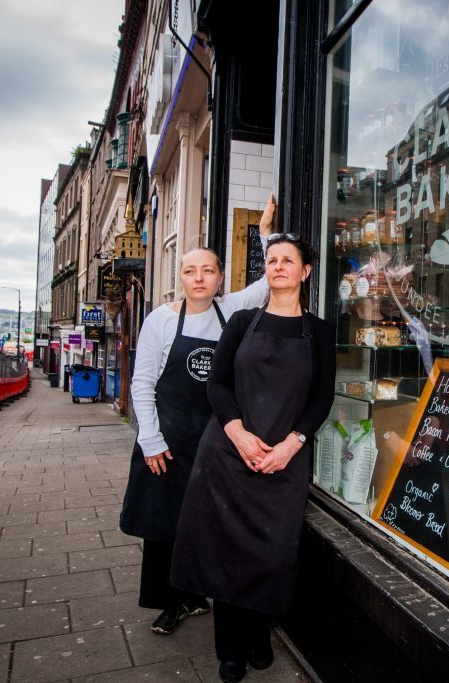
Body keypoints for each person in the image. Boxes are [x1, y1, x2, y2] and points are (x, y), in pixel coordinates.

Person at [171, 233, 336, 683]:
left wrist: (292, 443)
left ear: (305, 272)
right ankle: (230, 650)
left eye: (289, 260)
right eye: (272, 259)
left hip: (284, 461)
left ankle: (259, 633)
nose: (278, 266)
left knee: (270, 553)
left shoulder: (320, 332)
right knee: (224, 552)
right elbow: (217, 385)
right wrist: (238, 433)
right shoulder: (241, 322)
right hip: (228, 455)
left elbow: (321, 400)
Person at [120, 195, 276, 636]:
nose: (199, 278)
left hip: (214, 443)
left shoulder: (233, 310)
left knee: (207, 526)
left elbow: (268, 282)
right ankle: (172, 602)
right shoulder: (161, 321)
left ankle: (200, 594)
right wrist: (150, 440)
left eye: (208, 270)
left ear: (220, 277)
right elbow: (142, 385)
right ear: (181, 277)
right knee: (163, 527)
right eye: (190, 271)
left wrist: (264, 234)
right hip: (167, 442)